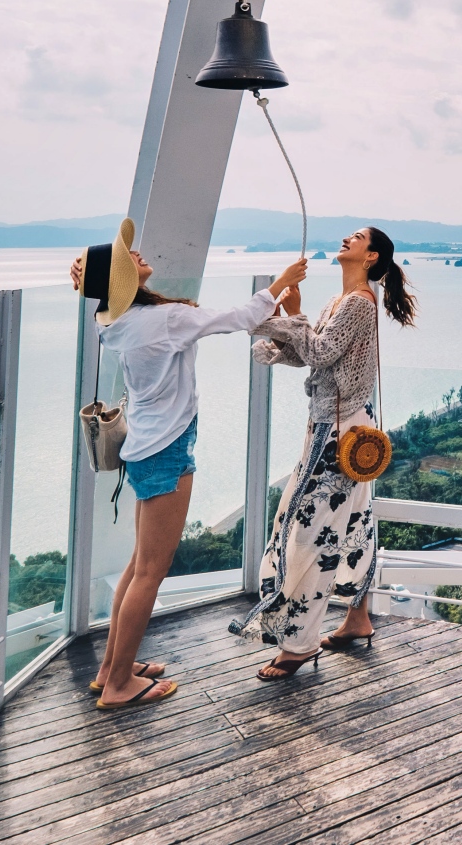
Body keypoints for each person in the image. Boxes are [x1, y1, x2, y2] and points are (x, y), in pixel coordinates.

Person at [70, 218, 308, 709]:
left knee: (139, 565)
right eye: (126, 259)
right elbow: (237, 318)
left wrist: (89, 275)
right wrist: (282, 284)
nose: (137, 257)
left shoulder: (111, 321)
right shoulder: (163, 320)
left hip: (144, 448)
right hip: (166, 450)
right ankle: (117, 688)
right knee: (150, 573)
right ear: (121, 280)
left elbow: (109, 300)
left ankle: (112, 667)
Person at [234, 226, 417, 680]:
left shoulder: (357, 302)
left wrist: (282, 318)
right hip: (343, 427)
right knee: (352, 521)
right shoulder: (343, 301)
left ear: (371, 256)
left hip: (337, 435)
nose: (346, 239)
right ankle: (357, 619)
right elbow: (318, 354)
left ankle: (299, 644)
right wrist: (291, 328)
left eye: (356, 238)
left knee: (307, 533)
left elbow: (319, 350)